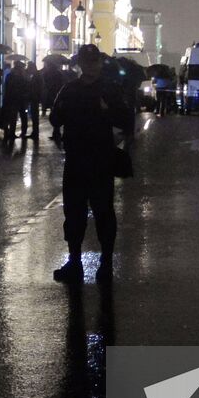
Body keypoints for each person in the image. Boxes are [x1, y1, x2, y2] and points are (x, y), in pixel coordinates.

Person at [50, 44, 130, 284]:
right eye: (86, 62)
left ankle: (105, 264)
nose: (90, 66)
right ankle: (74, 262)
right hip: (75, 160)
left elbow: (126, 119)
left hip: (100, 160)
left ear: (99, 64)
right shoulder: (69, 89)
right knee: (73, 213)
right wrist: (60, 112)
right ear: (81, 65)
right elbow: (55, 118)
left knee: (104, 212)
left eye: (94, 62)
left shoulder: (110, 89)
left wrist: (108, 111)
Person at [2, 60, 34, 141]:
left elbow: (7, 88)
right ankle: (22, 132)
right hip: (20, 99)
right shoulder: (22, 77)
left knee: (13, 116)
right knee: (22, 116)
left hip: (13, 99)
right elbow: (27, 87)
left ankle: (11, 133)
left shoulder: (10, 75)